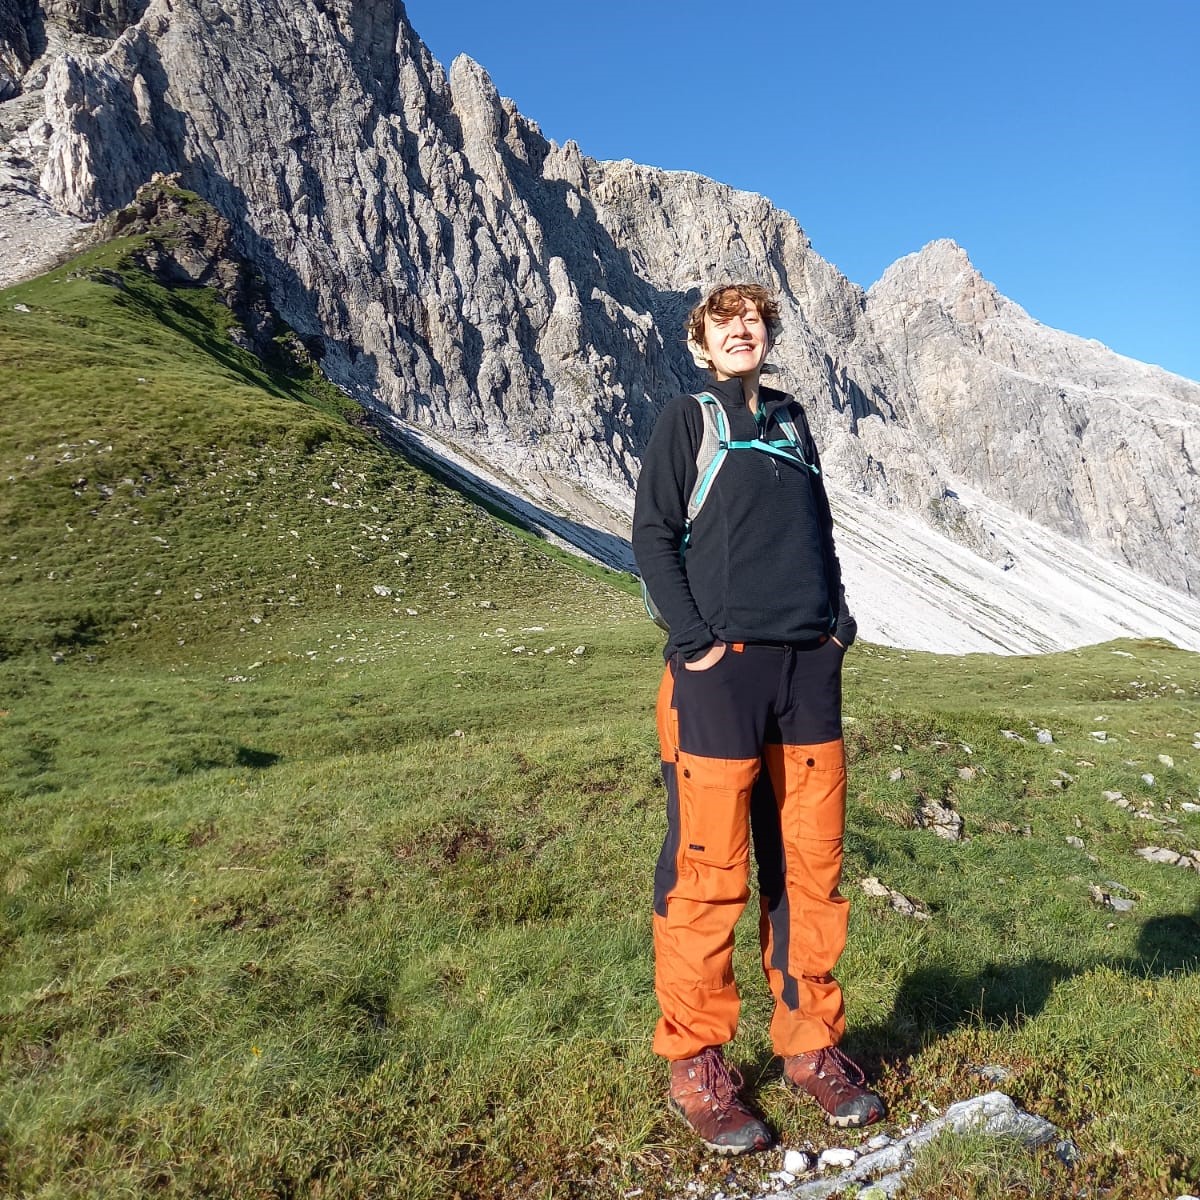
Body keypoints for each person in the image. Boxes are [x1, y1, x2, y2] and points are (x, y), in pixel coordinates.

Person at [631, 282, 885, 1155]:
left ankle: (811, 1046)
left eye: (754, 319)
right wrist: (695, 642)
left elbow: (819, 531)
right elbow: (652, 536)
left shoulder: (791, 420)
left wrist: (837, 627)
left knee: (811, 866)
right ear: (700, 343)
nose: (742, 330)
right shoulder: (688, 419)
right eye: (724, 322)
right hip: (721, 673)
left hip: (806, 670)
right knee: (707, 869)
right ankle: (696, 1063)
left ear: (770, 334)